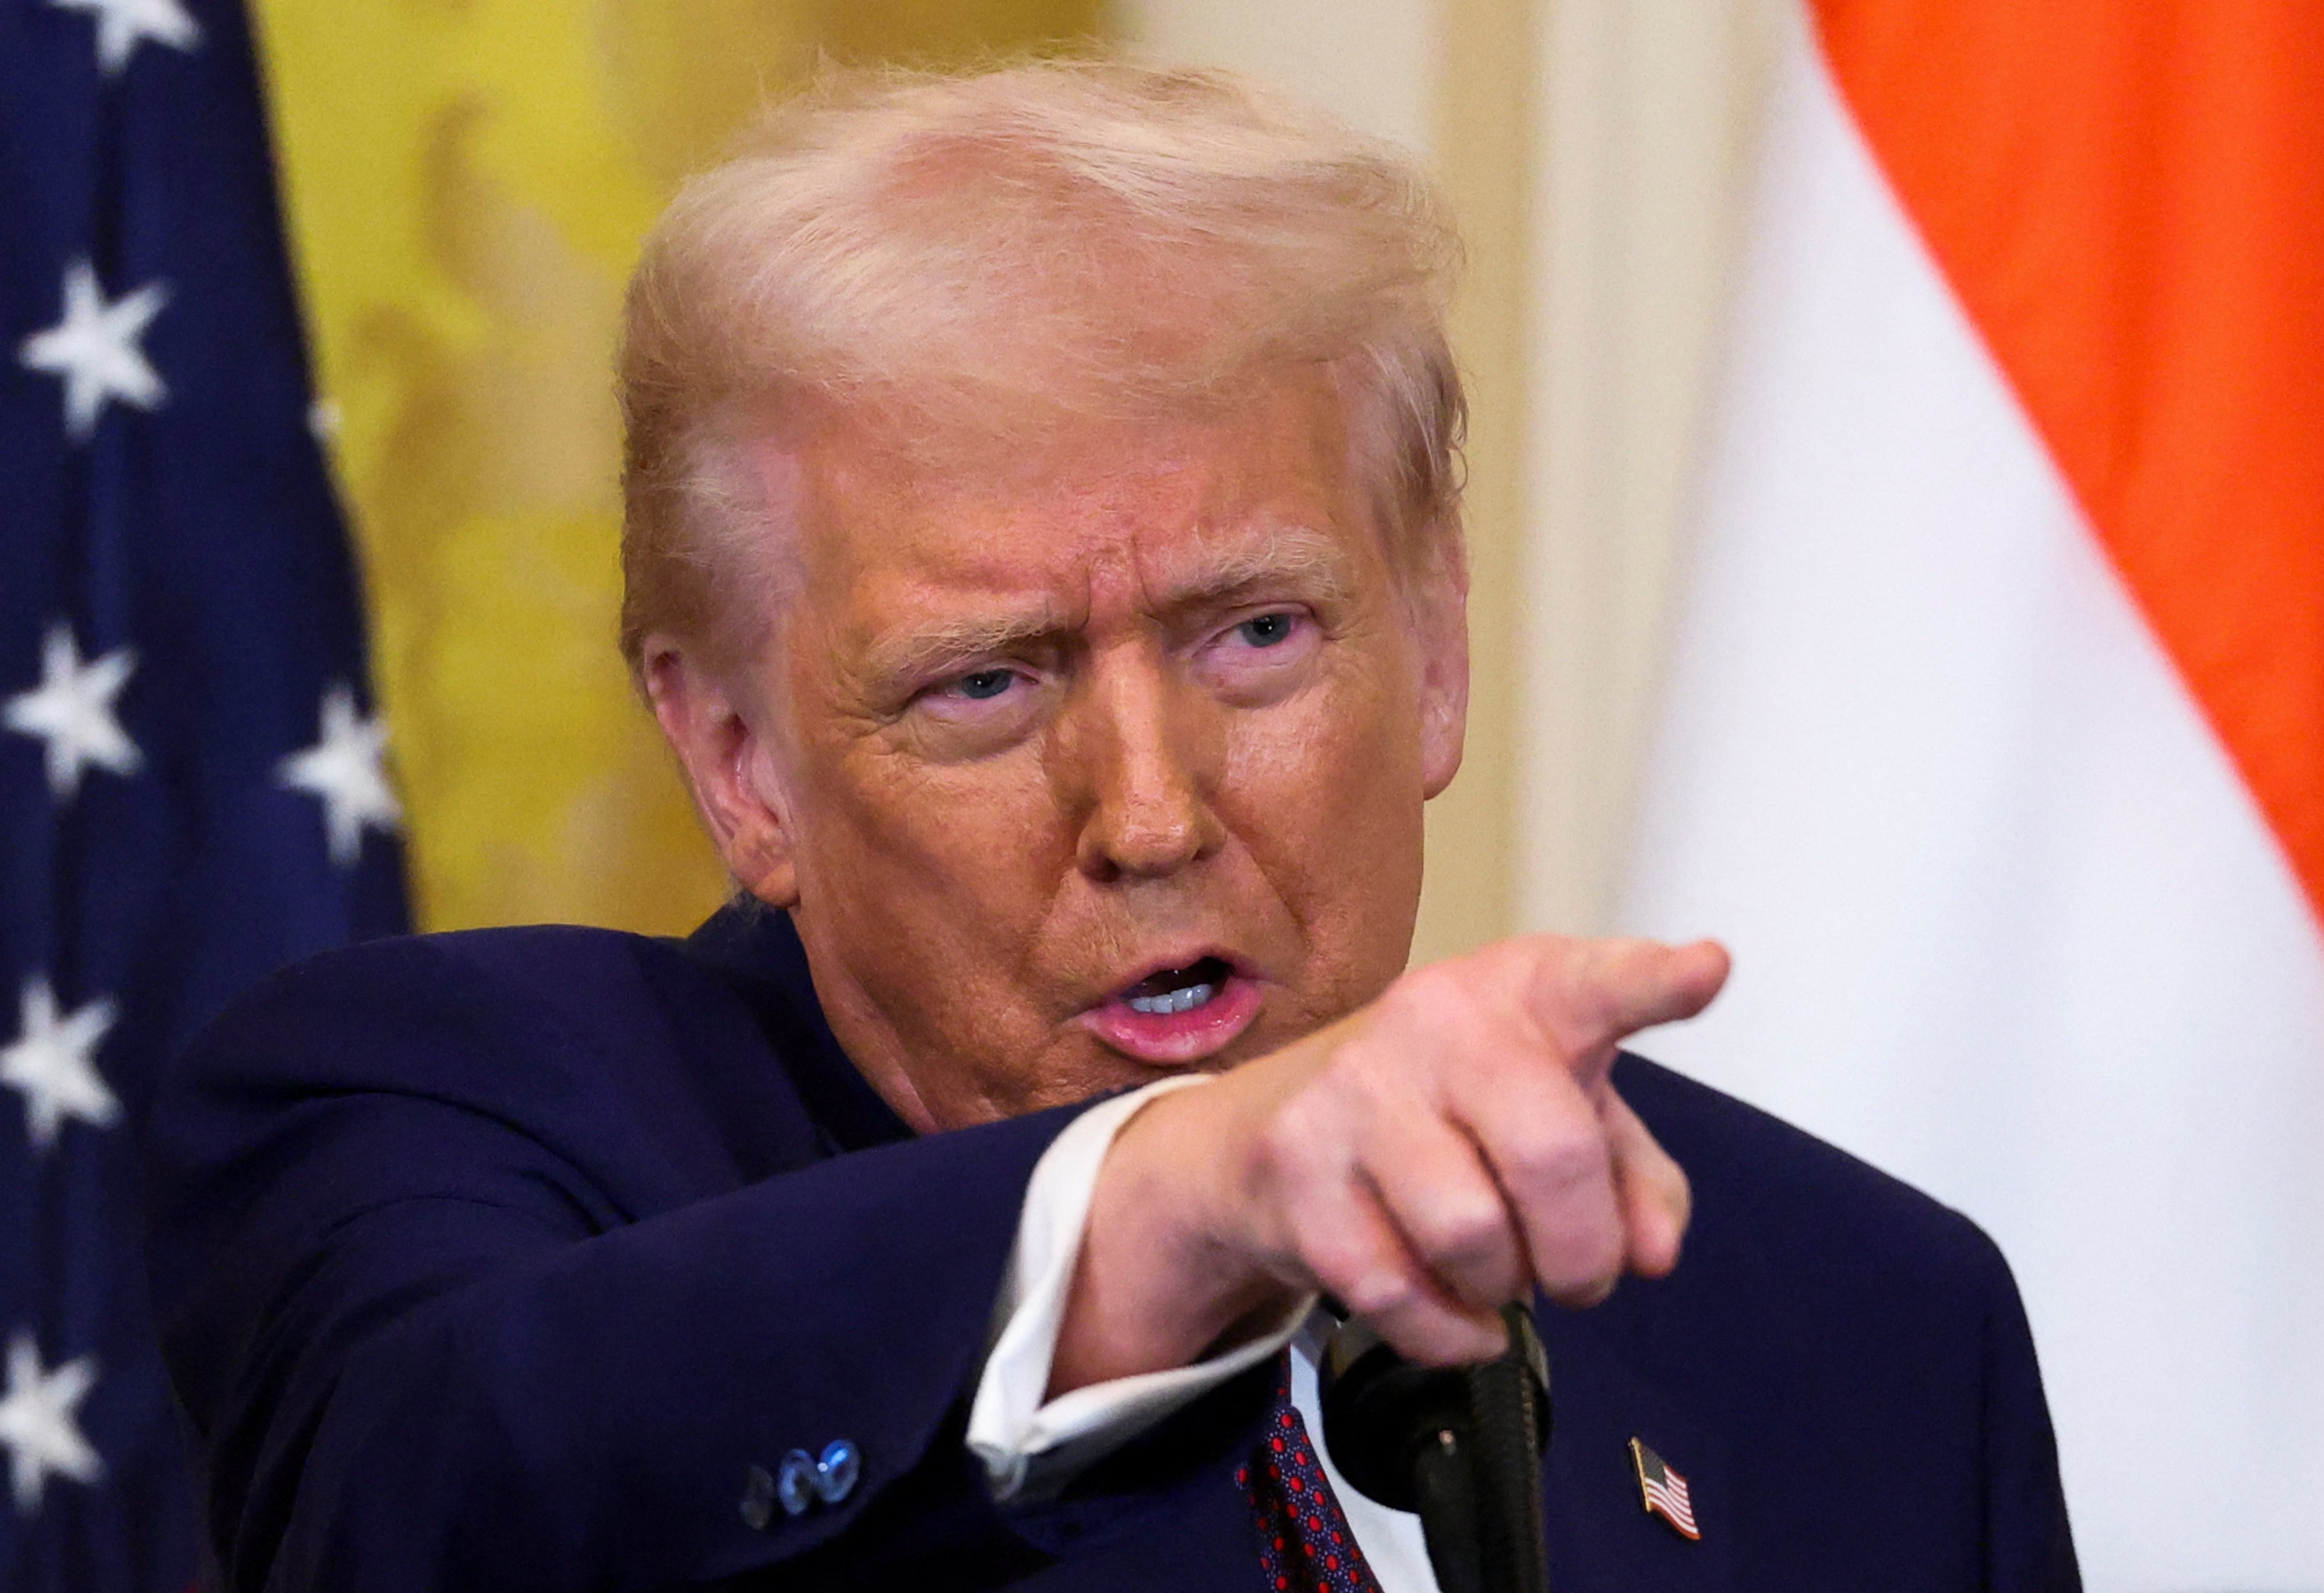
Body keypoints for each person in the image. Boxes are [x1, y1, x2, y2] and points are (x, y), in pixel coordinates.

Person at [144, 62, 2079, 1592]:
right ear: (738, 760)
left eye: (1255, 635)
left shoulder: (1863, 1322)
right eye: (987, 682)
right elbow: (441, 1503)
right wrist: (1174, 1198)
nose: (1148, 814)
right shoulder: (445, 1126)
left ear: (1436, 645)